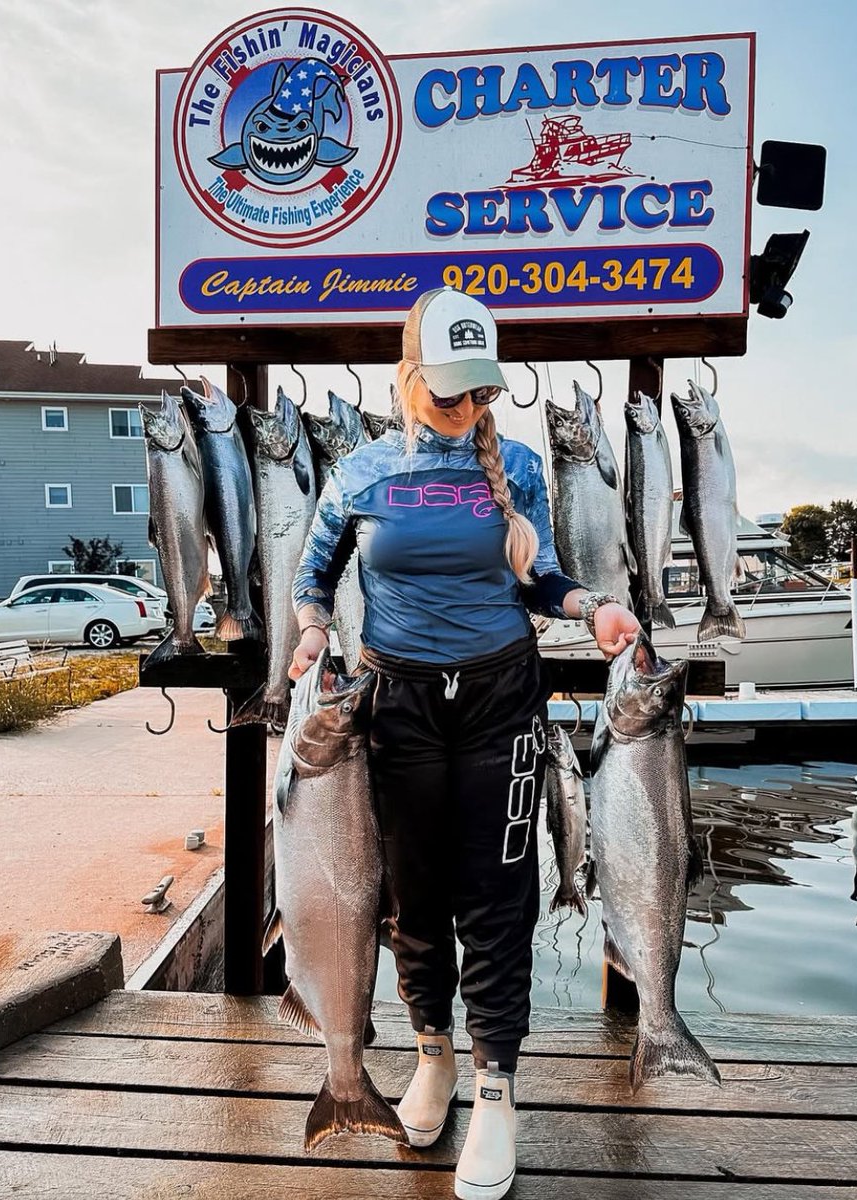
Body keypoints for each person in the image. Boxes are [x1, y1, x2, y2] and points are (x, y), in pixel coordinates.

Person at [291, 287, 639, 1200]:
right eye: (449, 389)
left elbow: (545, 577)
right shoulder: (361, 472)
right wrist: (309, 630)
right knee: (410, 895)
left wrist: (591, 607)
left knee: (495, 897)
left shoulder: (517, 465)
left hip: (499, 701)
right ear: (407, 375)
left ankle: (494, 1088)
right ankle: (432, 1057)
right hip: (396, 703)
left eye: (480, 390)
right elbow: (315, 571)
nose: (466, 406)